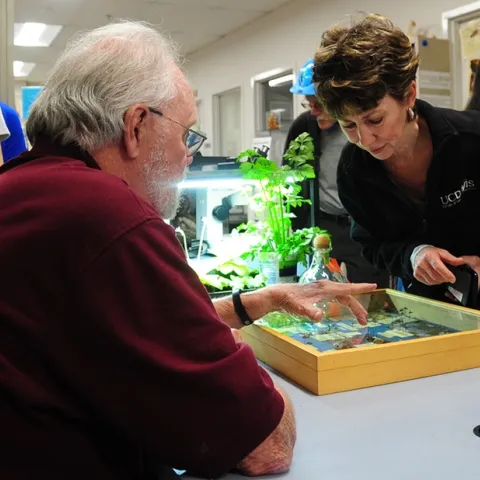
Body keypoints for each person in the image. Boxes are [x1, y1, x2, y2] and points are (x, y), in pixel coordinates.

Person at [0, 21, 377, 479]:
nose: (189, 156)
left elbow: (117, 326)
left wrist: (263, 300)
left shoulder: (23, 187)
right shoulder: (110, 217)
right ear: (136, 125)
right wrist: (230, 350)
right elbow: (266, 445)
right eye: (187, 135)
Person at [313, 14, 480, 304]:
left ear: (409, 95)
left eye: (374, 120)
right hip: (428, 305)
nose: (364, 140)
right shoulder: (354, 171)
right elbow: (372, 243)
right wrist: (414, 254)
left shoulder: (471, 139)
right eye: (348, 125)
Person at [284, 58, 389, 286]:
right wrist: (299, 229)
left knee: (367, 292)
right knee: (324, 294)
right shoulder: (304, 126)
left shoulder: (365, 127)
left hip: (362, 226)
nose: (313, 111)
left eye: (318, 105)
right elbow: (290, 182)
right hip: (324, 226)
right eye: (308, 103)